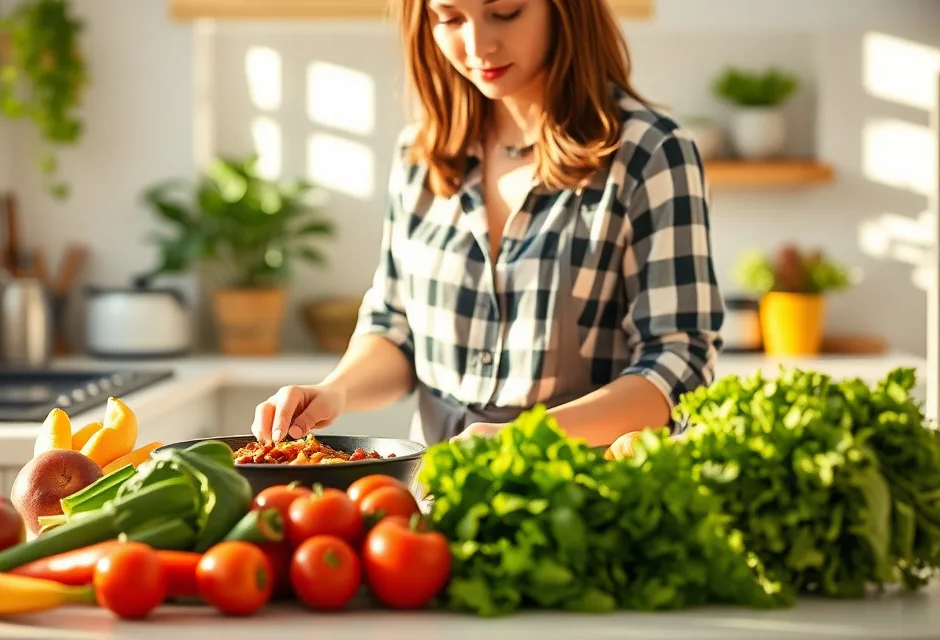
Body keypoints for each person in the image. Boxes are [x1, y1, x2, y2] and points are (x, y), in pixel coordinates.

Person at [250, 0, 724, 448]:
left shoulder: (650, 153)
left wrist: (524, 440)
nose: (478, 45)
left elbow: (679, 364)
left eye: (504, 12)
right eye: (450, 18)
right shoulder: (423, 153)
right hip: (432, 491)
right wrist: (336, 392)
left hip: (583, 498)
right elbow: (395, 328)